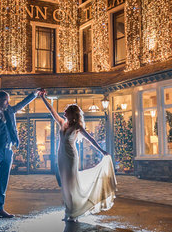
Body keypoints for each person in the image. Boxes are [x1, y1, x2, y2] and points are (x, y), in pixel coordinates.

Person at [39, 91, 117, 221]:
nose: (64, 113)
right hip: (61, 156)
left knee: (71, 184)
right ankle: (69, 210)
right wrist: (43, 98)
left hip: (71, 157)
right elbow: (52, 111)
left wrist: (102, 151)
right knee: (64, 184)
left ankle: (73, 212)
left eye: (66, 111)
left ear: (72, 114)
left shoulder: (77, 126)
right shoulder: (62, 123)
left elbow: (90, 139)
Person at [0, 88, 42, 220]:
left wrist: (35, 93)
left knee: (4, 181)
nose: (7, 102)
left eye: (8, 100)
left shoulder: (10, 111)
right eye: (4, 100)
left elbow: (23, 103)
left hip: (8, 151)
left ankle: (0, 209)